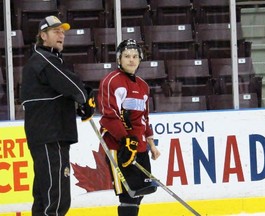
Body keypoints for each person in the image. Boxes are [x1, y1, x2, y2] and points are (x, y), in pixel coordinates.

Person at [20, 15, 95, 216]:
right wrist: (84, 98)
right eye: (56, 31)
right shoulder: (44, 59)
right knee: (56, 196)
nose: (62, 35)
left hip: (50, 135)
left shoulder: (46, 60)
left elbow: (64, 88)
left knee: (45, 195)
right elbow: (71, 85)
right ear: (43, 36)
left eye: (63, 31)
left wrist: (79, 100)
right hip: (50, 135)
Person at [97, 39, 161, 216]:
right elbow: (109, 115)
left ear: (140, 59)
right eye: (126, 56)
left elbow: (144, 118)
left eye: (135, 56)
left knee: (141, 191)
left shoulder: (143, 85)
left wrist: (152, 144)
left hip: (139, 145)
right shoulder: (112, 81)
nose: (131, 60)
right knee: (128, 194)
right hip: (119, 146)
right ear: (119, 59)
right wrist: (125, 140)